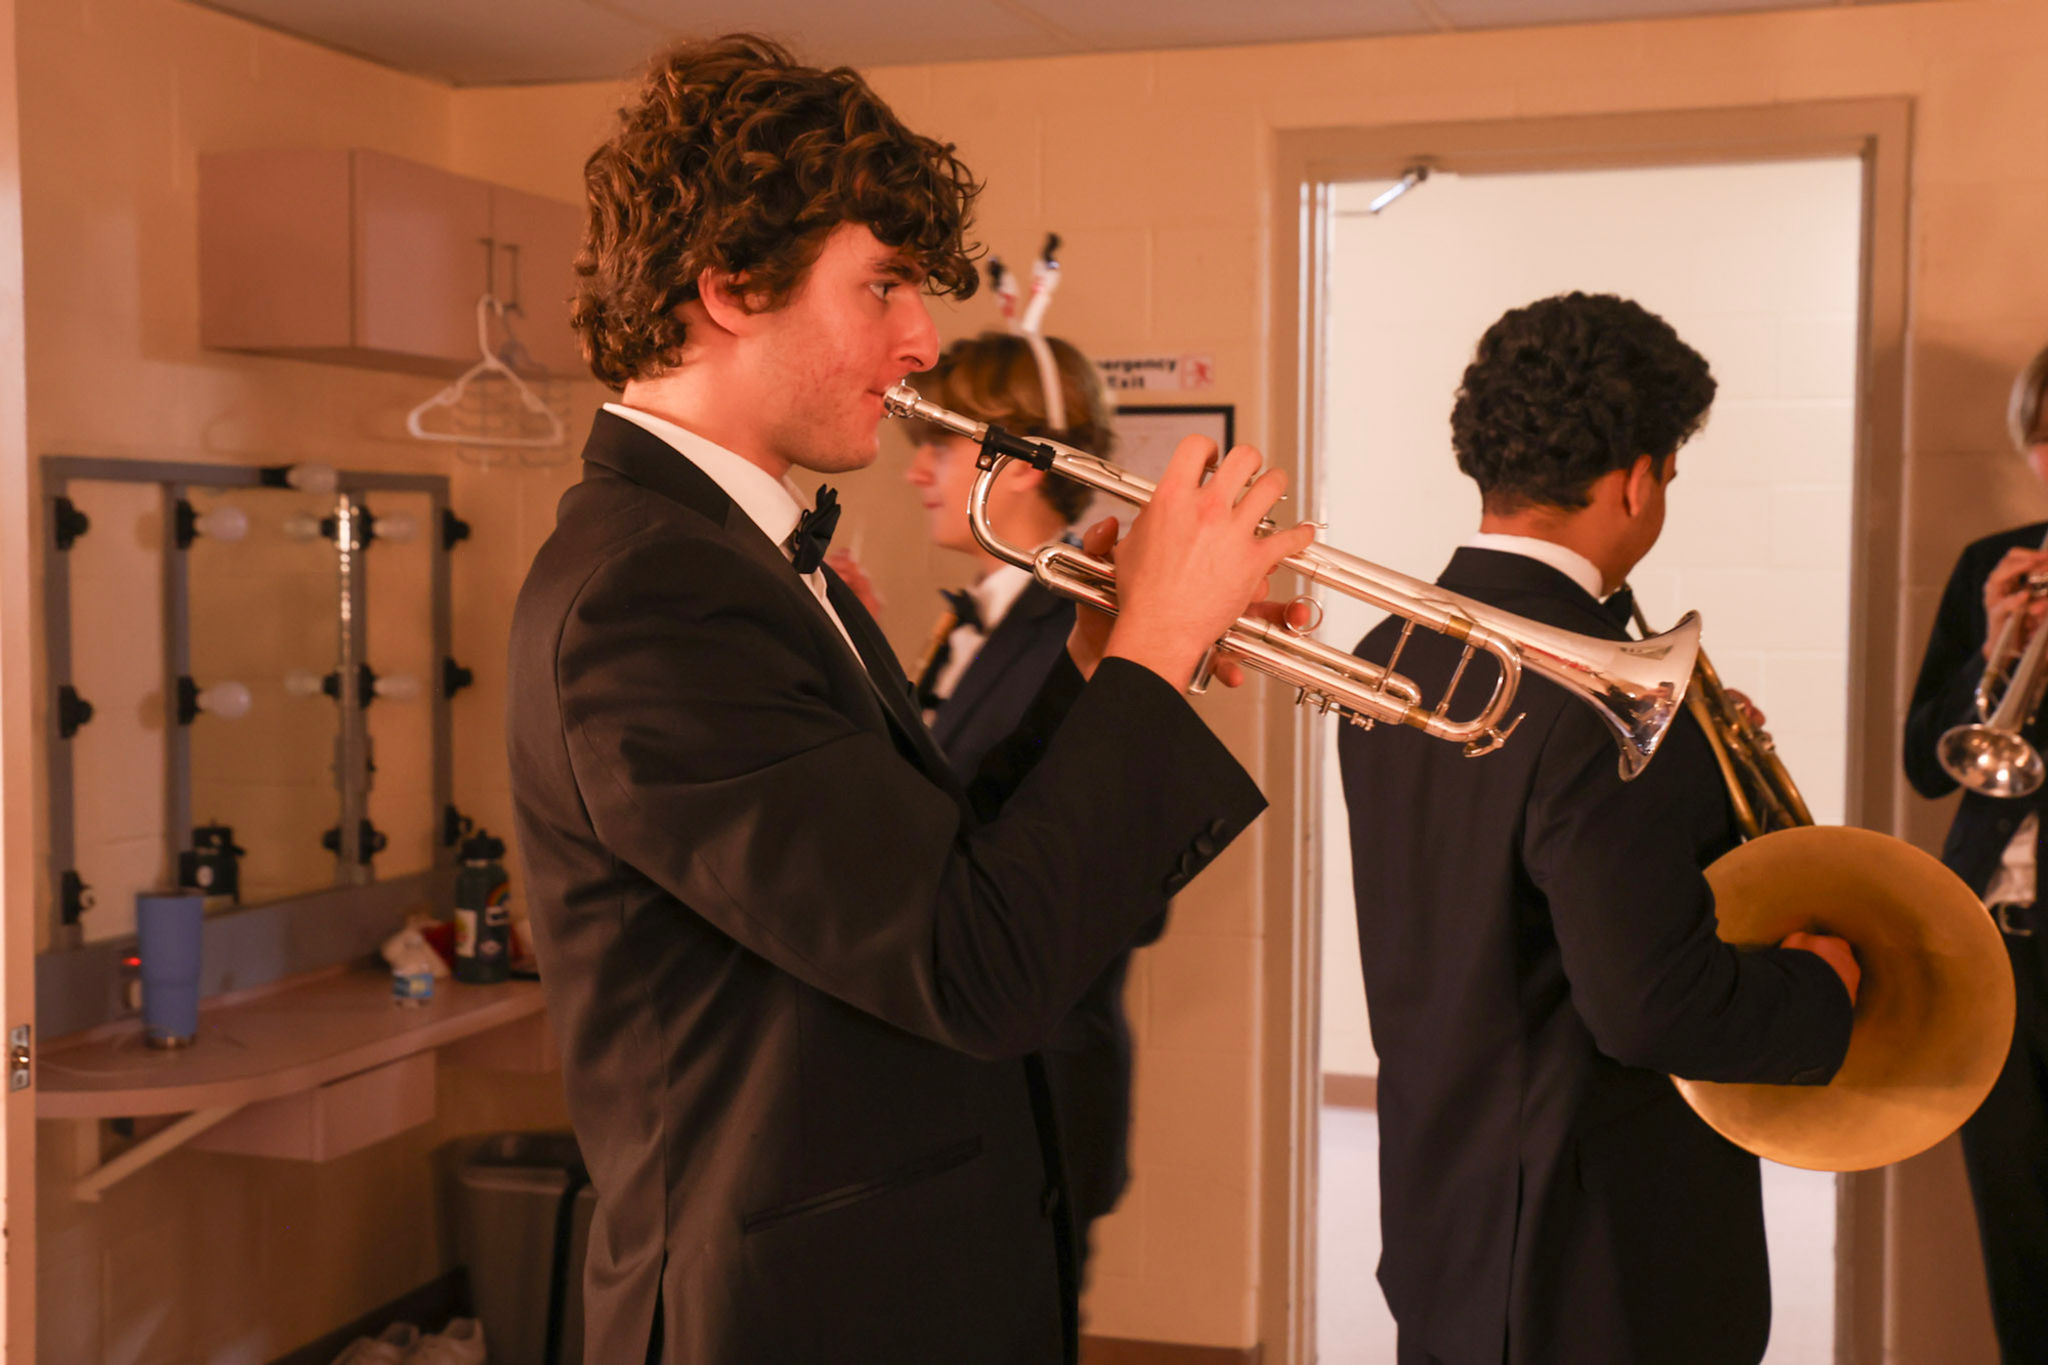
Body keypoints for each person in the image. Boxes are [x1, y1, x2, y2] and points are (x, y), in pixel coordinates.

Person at [505, 34, 1312, 1365]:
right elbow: (976, 966)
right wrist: (1164, 654)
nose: (921, 339)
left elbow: (936, 878)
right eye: (881, 286)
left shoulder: (727, 558)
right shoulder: (650, 596)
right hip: (795, 1316)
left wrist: (1099, 664)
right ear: (729, 287)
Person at [1336, 292, 1860, 1365]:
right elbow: (1648, 1007)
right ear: (1634, 478)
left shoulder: (1391, 650)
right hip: (1595, 1260)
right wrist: (1825, 986)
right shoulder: (1610, 701)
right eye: (1666, 473)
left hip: (1445, 1216)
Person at [901, 330, 1147, 1282]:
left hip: (1033, 1074)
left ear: (1016, 463)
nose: (917, 471)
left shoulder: (1073, 620)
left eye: (941, 445)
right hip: (975, 1071)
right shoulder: (996, 611)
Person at [1902, 344, 2048, 1363]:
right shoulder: (1994, 564)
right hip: (1989, 947)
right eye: (2044, 443)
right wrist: (1990, 643)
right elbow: (1924, 761)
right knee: (2015, 1223)